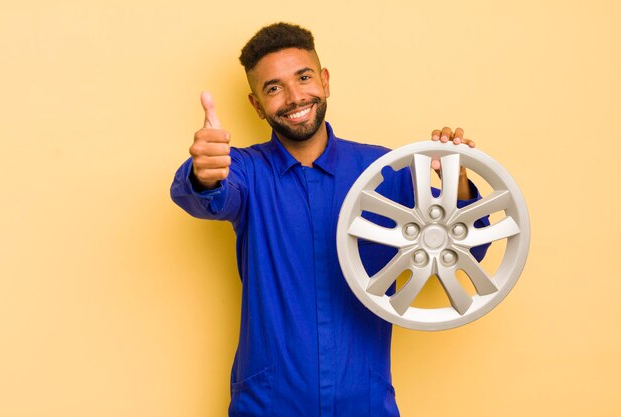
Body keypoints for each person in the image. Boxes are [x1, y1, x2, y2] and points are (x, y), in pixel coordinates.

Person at [171, 22, 488, 417]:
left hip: (365, 401)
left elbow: (465, 251)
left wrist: (456, 183)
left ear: (324, 80)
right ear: (256, 105)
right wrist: (204, 171)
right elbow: (206, 196)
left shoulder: (384, 172)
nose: (293, 97)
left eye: (303, 78)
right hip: (269, 404)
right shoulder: (247, 172)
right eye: (273, 88)